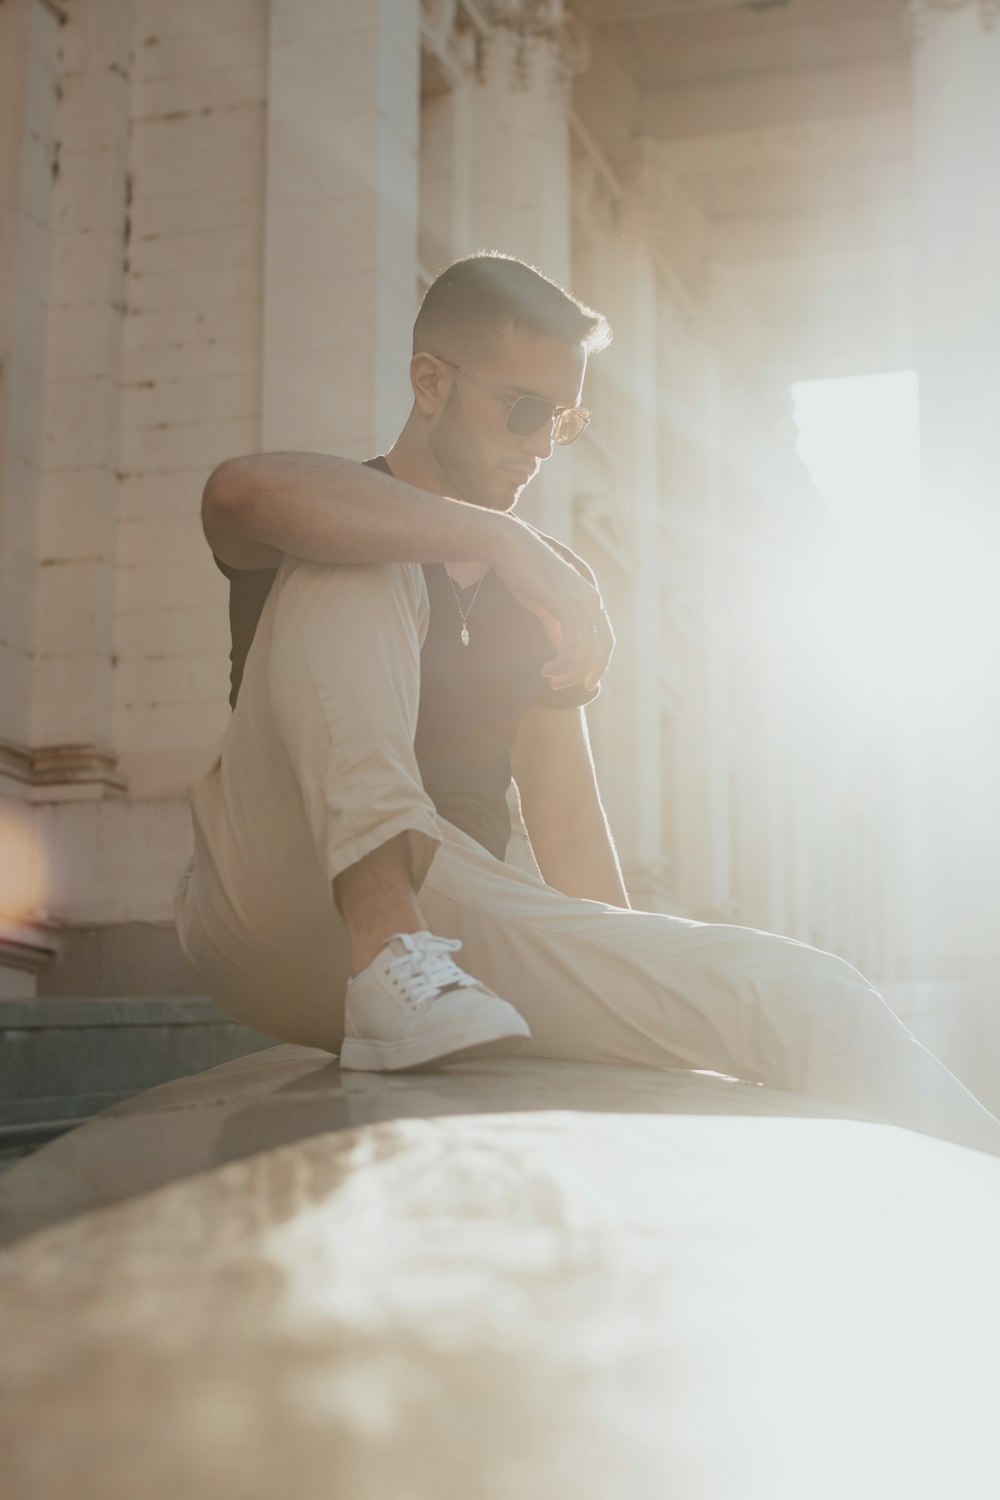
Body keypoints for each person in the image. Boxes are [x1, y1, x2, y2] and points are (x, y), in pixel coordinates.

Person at [175, 251, 1000, 1156]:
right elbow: (236, 491)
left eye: (561, 422)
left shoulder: (533, 601)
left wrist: (640, 984)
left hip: (454, 932)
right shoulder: (344, 514)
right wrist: (498, 538)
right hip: (276, 877)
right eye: (524, 410)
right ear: (430, 382)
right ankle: (384, 942)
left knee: (814, 998)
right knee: (375, 540)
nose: (538, 445)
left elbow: (567, 822)